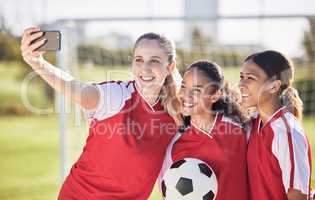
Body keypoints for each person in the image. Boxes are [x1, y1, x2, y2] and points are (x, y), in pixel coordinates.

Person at [20, 27, 183, 200]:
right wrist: (38, 63)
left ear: (169, 67)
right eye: (139, 60)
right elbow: (73, 86)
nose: (145, 68)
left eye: (155, 61)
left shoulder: (176, 111)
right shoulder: (117, 96)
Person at [159, 60, 249, 200]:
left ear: (215, 95)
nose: (186, 95)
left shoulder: (239, 130)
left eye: (196, 90)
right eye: (183, 86)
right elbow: (168, 191)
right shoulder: (176, 144)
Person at [239, 50, 312, 200]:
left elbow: (298, 195)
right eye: (241, 77)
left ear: (274, 86)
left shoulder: (287, 132)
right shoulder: (254, 122)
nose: (241, 84)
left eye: (250, 78)